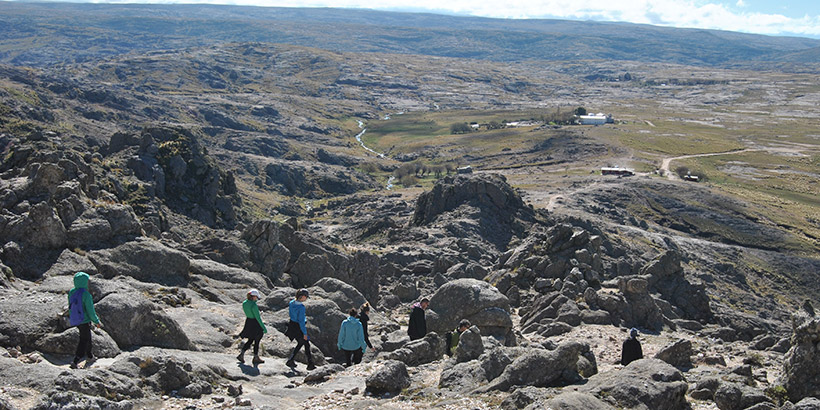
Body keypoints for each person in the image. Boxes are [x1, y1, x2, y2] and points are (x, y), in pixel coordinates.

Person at [68, 271, 102, 369]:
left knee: (87, 337)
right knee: (84, 340)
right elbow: (90, 311)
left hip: (76, 319)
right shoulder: (86, 295)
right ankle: (76, 360)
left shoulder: (72, 292)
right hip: (84, 320)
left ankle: (90, 356)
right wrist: (97, 321)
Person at [285, 289, 315, 370]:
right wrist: (305, 333)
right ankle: (310, 364)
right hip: (298, 327)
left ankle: (291, 360)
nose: (306, 299)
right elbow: (301, 322)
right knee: (306, 344)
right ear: (302, 297)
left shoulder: (291, 303)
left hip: (292, 325)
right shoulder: (301, 307)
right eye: (306, 297)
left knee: (301, 343)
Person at [237, 289, 267, 365]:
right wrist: (263, 327)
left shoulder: (244, 303)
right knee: (257, 341)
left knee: (250, 340)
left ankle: (242, 354)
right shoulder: (254, 305)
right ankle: (256, 357)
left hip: (248, 322)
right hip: (255, 323)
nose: (257, 299)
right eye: (256, 297)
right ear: (253, 297)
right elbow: (258, 317)